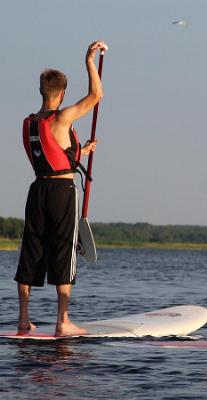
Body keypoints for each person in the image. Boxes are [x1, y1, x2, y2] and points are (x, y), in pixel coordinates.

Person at [15, 40, 108, 336]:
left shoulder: (29, 123)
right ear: (62, 93)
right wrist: (89, 61)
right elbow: (96, 95)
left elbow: (50, 155)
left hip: (37, 192)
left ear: (42, 91)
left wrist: (80, 151)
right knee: (64, 250)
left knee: (31, 251)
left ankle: (23, 318)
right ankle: (63, 321)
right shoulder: (62, 117)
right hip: (62, 195)